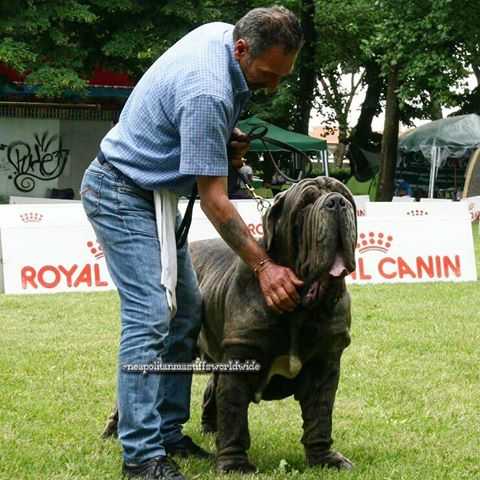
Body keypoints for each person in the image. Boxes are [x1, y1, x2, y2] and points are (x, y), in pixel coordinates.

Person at [80, 6, 304, 480]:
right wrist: (265, 267)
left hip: (153, 191)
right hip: (122, 191)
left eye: (284, 75)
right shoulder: (209, 91)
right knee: (150, 314)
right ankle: (141, 456)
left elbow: (195, 137)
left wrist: (225, 142)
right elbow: (216, 202)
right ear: (242, 49)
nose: (274, 86)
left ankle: (165, 429)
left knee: (186, 309)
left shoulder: (221, 37)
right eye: (268, 74)